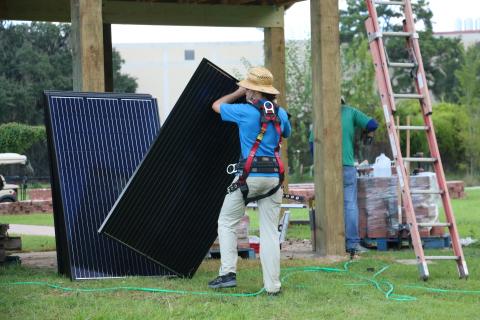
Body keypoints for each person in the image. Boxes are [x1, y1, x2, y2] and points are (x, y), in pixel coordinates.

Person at [209, 67, 291, 295]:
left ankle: (228, 274)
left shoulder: (244, 111)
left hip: (248, 177)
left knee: (226, 222)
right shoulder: (281, 113)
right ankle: (273, 287)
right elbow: (287, 133)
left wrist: (237, 92)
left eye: (247, 89)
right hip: (274, 178)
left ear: (252, 91)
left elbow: (216, 106)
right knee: (269, 232)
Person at [341, 97, 378, 256]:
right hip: (347, 165)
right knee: (349, 204)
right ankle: (352, 244)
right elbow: (372, 124)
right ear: (342, 101)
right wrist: (365, 131)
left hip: (325, 169)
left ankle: (329, 241)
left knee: (327, 204)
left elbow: (311, 144)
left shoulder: (320, 115)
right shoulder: (350, 112)